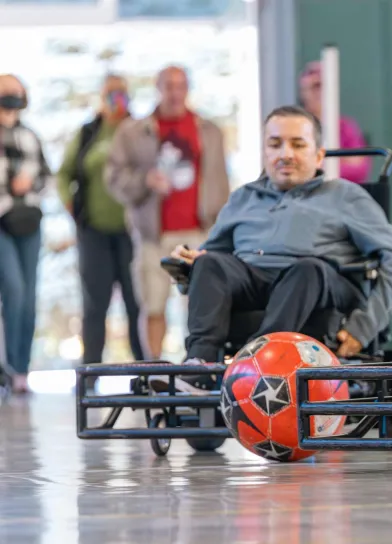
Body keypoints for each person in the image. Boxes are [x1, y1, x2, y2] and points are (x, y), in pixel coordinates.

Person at [149, 105, 392, 394]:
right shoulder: (243, 198)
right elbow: (211, 260)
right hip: (253, 280)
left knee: (307, 269)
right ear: (265, 152)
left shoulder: (346, 196)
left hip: (320, 286)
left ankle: (257, 367)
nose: (285, 153)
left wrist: (365, 325)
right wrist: (191, 264)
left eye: (298, 144)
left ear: (319, 154)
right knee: (210, 263)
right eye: (275, 144)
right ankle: (199, 368)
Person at [106, 65, 231, 360]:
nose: (175, 92)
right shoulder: (134, 131)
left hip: (200, 232)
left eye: (180, 85)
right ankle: (154, 368)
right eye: (168, 85)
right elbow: (114, 178)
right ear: (158, 87)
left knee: (201, 307)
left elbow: (220, 180)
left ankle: (197, 366)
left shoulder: (208, 131)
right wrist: (145, 180)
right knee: (152, 305)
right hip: (154, 233)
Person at [57, 74, 145, 366]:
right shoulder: (88, 133)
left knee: (137, 303)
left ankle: (145, 368)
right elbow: (64, 173)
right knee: (95, 305)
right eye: (110, 93)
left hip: (133, 233)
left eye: (121, 92)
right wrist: (69, 203)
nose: (116, 99)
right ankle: (91, 369)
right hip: (94, 232)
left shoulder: (140, 131)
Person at [0, 74, 52, 393]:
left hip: (29, 221)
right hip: (2, 220)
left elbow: (46, 175)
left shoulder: (30, 136)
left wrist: (29, 183)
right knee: (14, 291)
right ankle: (7, 366)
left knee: (29, 296)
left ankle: (21, 370)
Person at [299, 61, 372, 184]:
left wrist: (317, 163)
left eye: (322, 86)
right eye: (314, 87)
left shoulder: (345, 127)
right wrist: (341, 160)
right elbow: (297, 170)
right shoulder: (295, 127)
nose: (318, 93)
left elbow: (359, 169)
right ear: (303, 91)